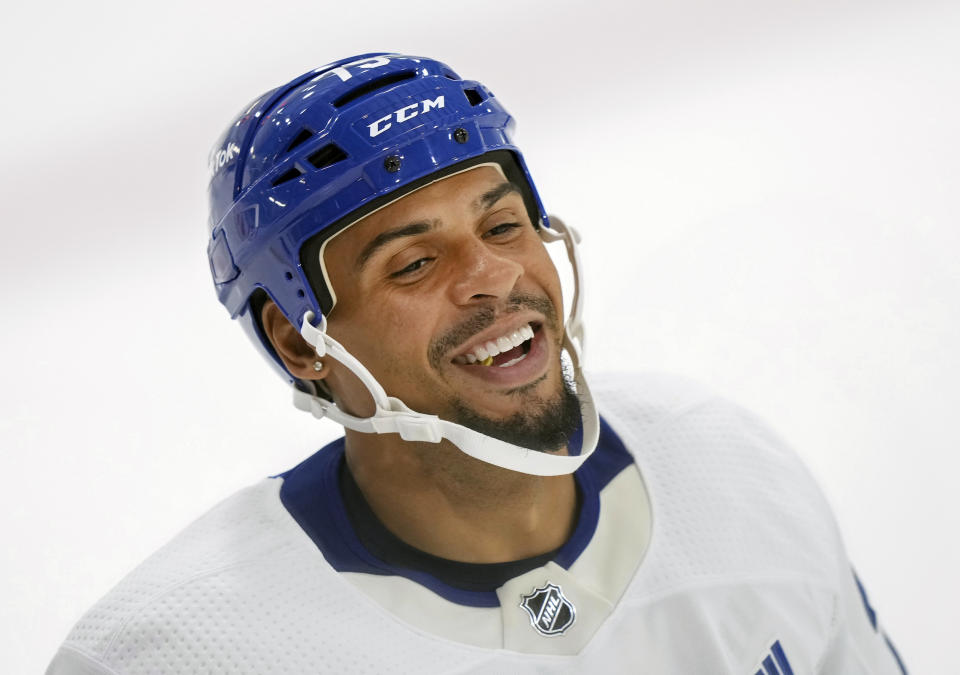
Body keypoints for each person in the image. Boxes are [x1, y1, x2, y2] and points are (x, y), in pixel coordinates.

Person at [47, 52, 908, 674]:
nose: (495, 276)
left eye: (503, 226)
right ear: (298, 337)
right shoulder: (174, 654)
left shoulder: (732, 467)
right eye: (415, 263)